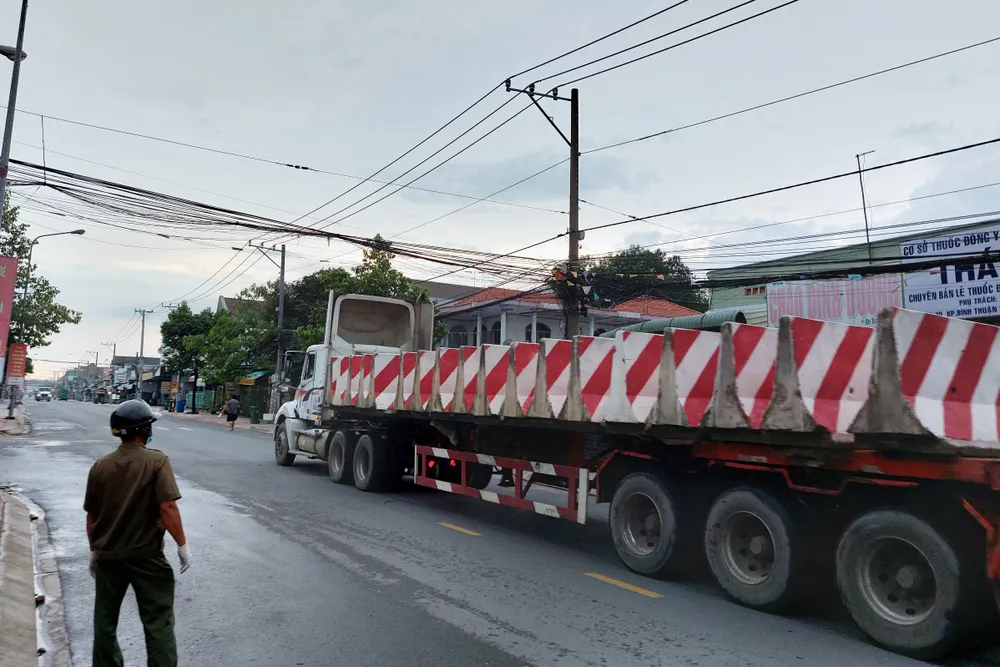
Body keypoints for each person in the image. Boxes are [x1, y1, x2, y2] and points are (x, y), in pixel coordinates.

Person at [85, 399, 190, 667]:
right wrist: (182, 545)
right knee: (158, 622)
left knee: (105, 621)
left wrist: (94, 551)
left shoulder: (100, 466)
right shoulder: (157, 461)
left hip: (108, 556)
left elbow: (91, 516)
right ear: (144, 430)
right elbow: (167, 507)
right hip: (146, 557)